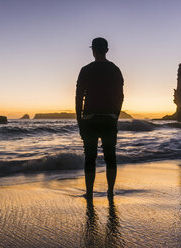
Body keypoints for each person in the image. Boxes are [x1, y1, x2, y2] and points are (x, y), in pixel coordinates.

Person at [76, 37, 124, 199]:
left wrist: (79, 121)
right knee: (110, 155)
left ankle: (89, 193)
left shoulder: (85, 70)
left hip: (89, 119)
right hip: (109, 118)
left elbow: (78, 98)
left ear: (93, 50)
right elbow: (120, 96)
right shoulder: (115, 69)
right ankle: (110, 192)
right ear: (107, 50)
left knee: (90, 157)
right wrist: (115, 115)